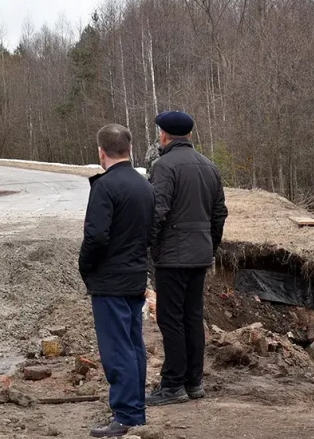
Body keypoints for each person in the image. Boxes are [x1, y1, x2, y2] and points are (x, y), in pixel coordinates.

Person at [145, 111, 228, 406]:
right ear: (189, 136)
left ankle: (172, 385)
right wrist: (210, 246)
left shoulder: (164, 166)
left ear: (165, 136)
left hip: (172, 257)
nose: (159, 138)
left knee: (171, 319)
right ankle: (194, 382)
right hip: (200, 254)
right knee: (193, 318)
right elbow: (219, 214)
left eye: (159, 134)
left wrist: (146, 247)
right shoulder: (210, 166)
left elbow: (157, 211)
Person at [80, 123, 156, 437]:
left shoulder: (105, 187)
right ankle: (134, 410)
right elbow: (152, 233)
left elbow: (96, 236)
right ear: (129, 149)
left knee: (117, 349)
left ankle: (125, 415)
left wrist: (85, 266)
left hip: (110, 280)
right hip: (135, 275)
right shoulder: (145, 186)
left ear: (101, 152)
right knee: (133, 345)